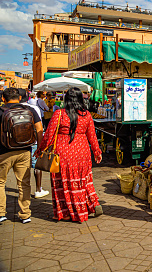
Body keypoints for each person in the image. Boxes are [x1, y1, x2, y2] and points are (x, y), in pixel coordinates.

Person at [34, 87, 102, 222]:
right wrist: (97, 152)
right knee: (83, 181)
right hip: (83, 152)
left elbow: (49, 135)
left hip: (63, 153)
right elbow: (92, 136)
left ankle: (67, 213)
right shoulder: (86, 115)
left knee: (64, 183)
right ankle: (91, 205)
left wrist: (40, 150)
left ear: (67, 99)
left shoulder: (59, 114)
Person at [0, 88, 44, 224]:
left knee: (1, 183)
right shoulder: (30, 110)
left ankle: (1, 213)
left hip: (3, 152)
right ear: (19, 98)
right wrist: (40, 148)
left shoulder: (1, 111)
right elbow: (39, 129)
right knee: (24, 184)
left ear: (3, 99)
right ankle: (25, 214)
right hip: (25, 150)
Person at [20, 89, 49, 198]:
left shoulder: (7, 109)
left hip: (14, 145)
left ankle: (23, 190)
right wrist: (40, 146)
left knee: (21, 168)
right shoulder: (32, 108)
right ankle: (38, 189)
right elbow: (39, 128)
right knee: (36, 166)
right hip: (32, 141)